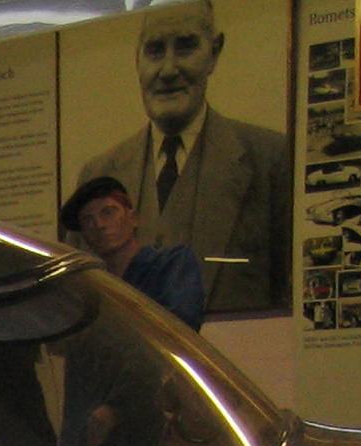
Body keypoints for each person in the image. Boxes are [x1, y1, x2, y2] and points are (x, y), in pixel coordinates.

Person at [71, 1, 288, 314]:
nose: (168, 70)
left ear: (214, 52)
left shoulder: (271, 160)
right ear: (137, 58)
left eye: (186, 47)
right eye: (155, 50)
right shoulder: (97, 173)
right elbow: (78, 300)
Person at [61, 175, 204, 328]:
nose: (99, 225)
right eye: (88, 220)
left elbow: (179, 325)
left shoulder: (171, 263)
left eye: (108, 213)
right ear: (84, 235)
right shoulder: (89, 287)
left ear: (133, 218)